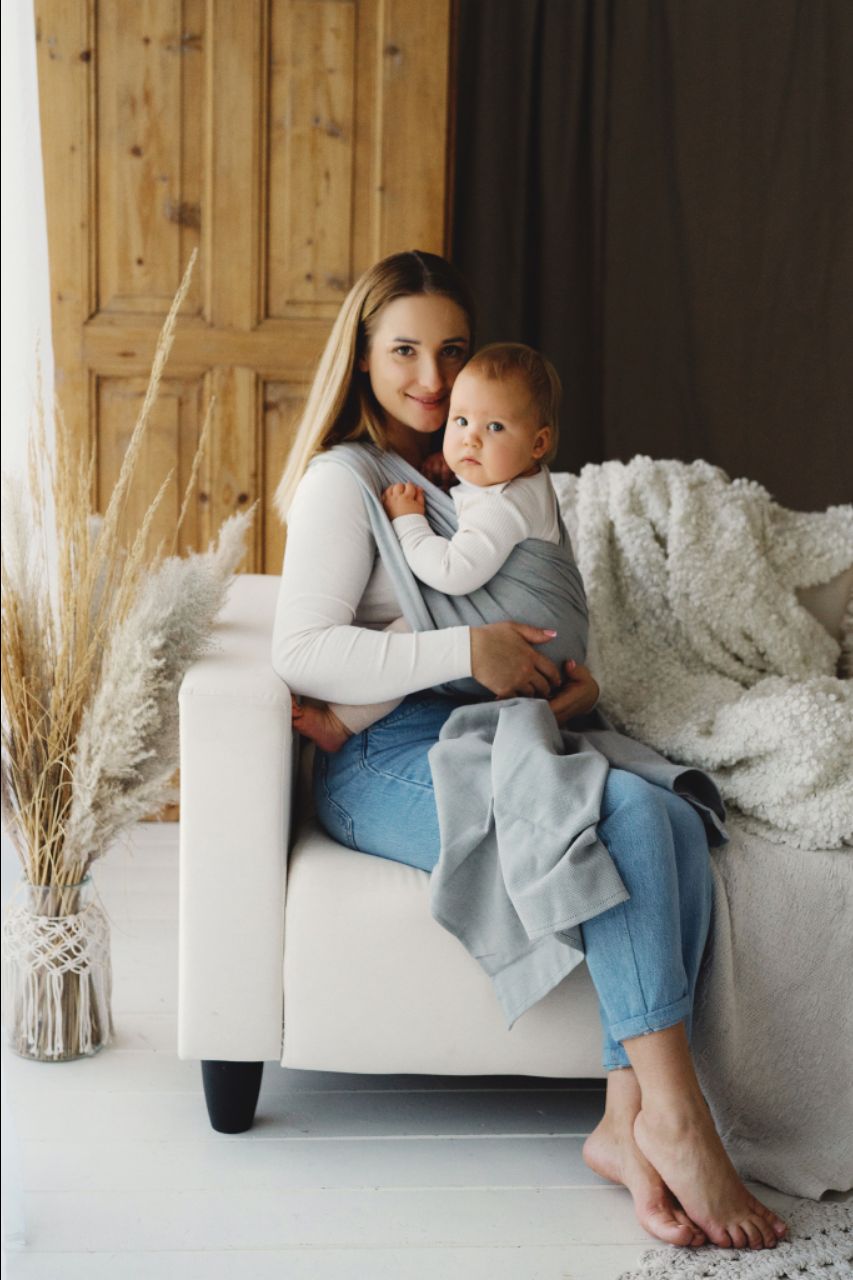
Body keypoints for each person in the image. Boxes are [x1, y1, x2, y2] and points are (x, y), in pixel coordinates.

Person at [272, 249, 789, 1252]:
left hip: (506, 721)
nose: (432, 378)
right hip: (383, 756)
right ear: (362, 357)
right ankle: (678, 1119)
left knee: (663, 812)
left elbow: (536, 610)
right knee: (617, 813)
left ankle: (623, 1122)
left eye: (452, 351)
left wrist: (564, 685)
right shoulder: (349, 481)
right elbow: (301, 650)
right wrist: (472, 650)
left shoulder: (476, 468)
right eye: (404, 350)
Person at [293, 341, 577, 755]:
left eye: (495, 428)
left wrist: (408, 521)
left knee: (415, 627)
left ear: (538, 444)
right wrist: (454, 473)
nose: (471, 440)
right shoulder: (520, 478)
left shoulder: (505, 505)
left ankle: (340, 722)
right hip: (549, 649)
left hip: (528, 644)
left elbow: (453, 573)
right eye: (460, 421)